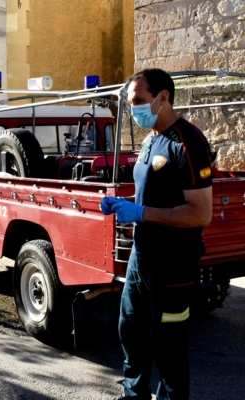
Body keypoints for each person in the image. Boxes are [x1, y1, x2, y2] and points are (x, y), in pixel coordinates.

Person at [101, 68, 213, 400]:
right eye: (130, 101)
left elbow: (200, 213)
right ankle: (134, 394)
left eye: (138, 100)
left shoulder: (188, 142)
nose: (133, 108)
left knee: (168, 345)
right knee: (131, 330)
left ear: (163, 97)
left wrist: (142, 213)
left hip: (173, 265)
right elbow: (153, 191)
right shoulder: (151, 140)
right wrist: (126, 205)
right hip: (142, 257)